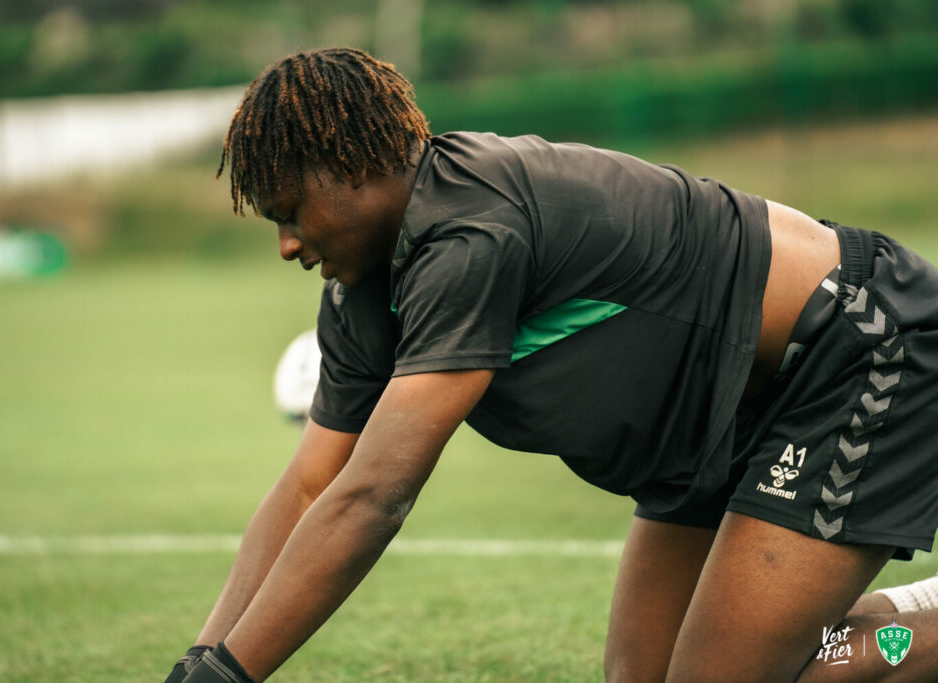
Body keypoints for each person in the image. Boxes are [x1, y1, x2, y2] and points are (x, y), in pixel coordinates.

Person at [163, 47, 938, 682]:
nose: (287, 246)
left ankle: (919, 629)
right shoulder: (366, 290)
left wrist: (233, 674)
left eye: (291, 213)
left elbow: (372, 495)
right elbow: (310, 484)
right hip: (720, 415)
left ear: (351, 164)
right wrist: (204, 658)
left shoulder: (468, 229)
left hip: (855, 348)